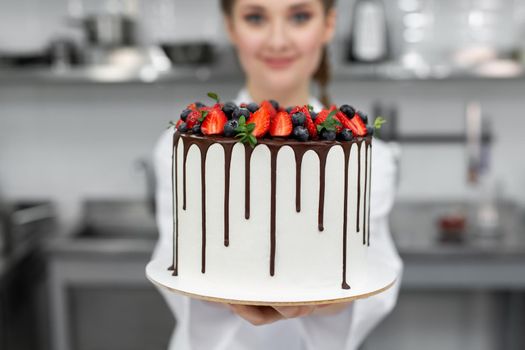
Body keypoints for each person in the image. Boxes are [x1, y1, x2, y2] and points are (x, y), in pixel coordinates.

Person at [150, 0, 403, 348]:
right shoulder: (180, 146)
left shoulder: (368, 155)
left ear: (328, 24)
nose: (278, 40)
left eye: (300, 17)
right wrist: (223, 291)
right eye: (256, 18)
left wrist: (327, 303)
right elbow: (177, 262)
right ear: (231, 27)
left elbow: (371, 271)